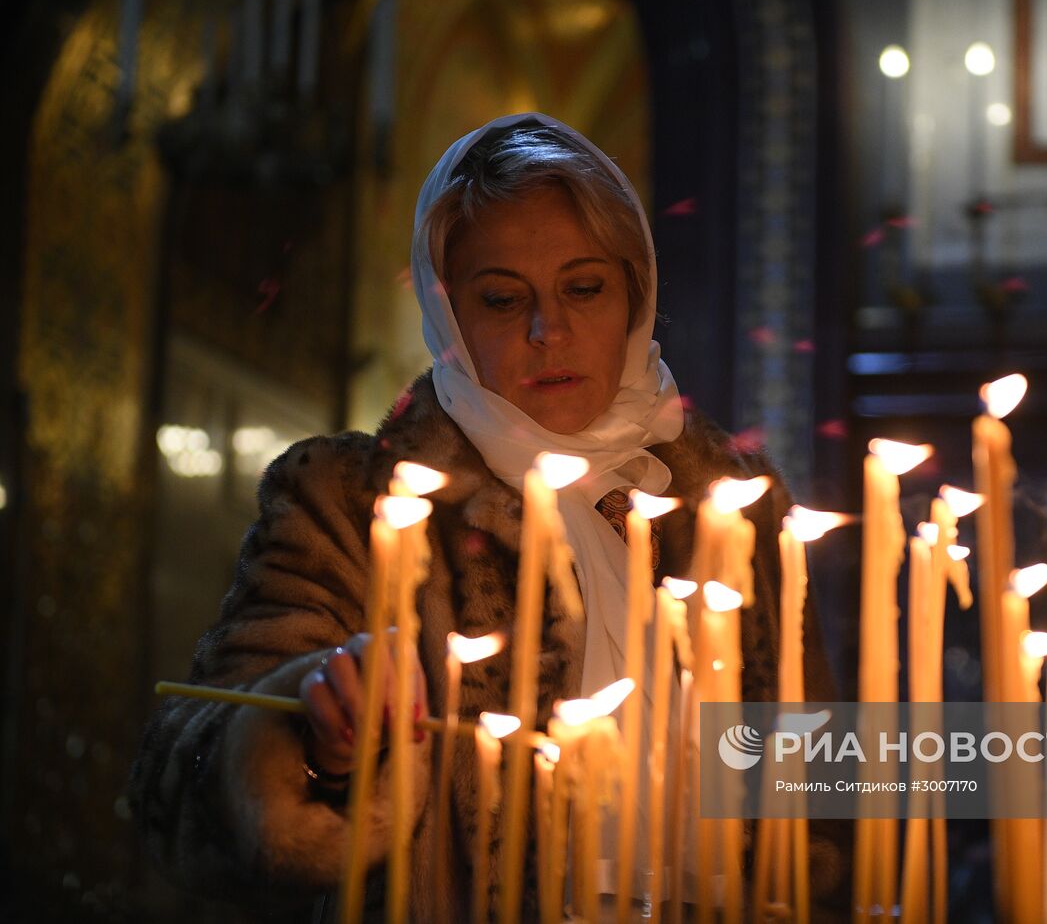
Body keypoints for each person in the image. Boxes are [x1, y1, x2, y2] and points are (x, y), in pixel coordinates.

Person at [130, 113, 843, 920]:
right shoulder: (356, 505)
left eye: (584, 288)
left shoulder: (733, 514)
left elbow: (817, 794)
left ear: (636, 293)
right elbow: (175, 788)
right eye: (504, 299)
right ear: (450, 318)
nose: (551, 331)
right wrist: (312, 735)